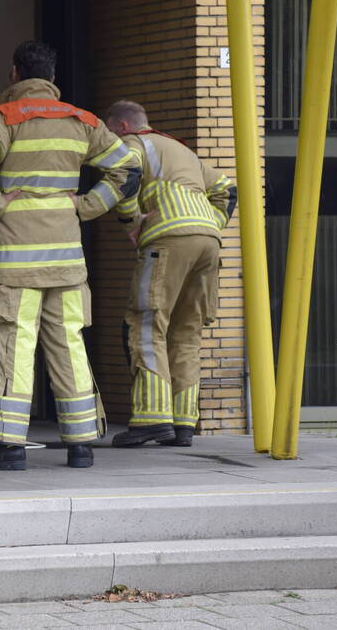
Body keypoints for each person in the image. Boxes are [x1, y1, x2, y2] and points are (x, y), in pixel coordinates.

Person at [0, 41, 141, 471]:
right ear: (52, 78)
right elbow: (129, 168)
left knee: (14, 347)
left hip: (14, 263)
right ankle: (81, 444)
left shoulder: (4, 118)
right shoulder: (83, 120)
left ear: (13, 73)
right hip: (67, 261)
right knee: (69, 345)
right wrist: (87, 206)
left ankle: (7, 446)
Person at [104, 100, 236, 448]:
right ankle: (183, 424)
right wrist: (210, 225)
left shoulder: (133, 144)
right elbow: (227, 189)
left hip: (167, 240)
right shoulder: (182, 149)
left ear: (121, 126)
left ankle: (152, 419)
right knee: (186, 332)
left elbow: (125, 176)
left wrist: (130, 220)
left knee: (146, 325)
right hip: (208, 242)